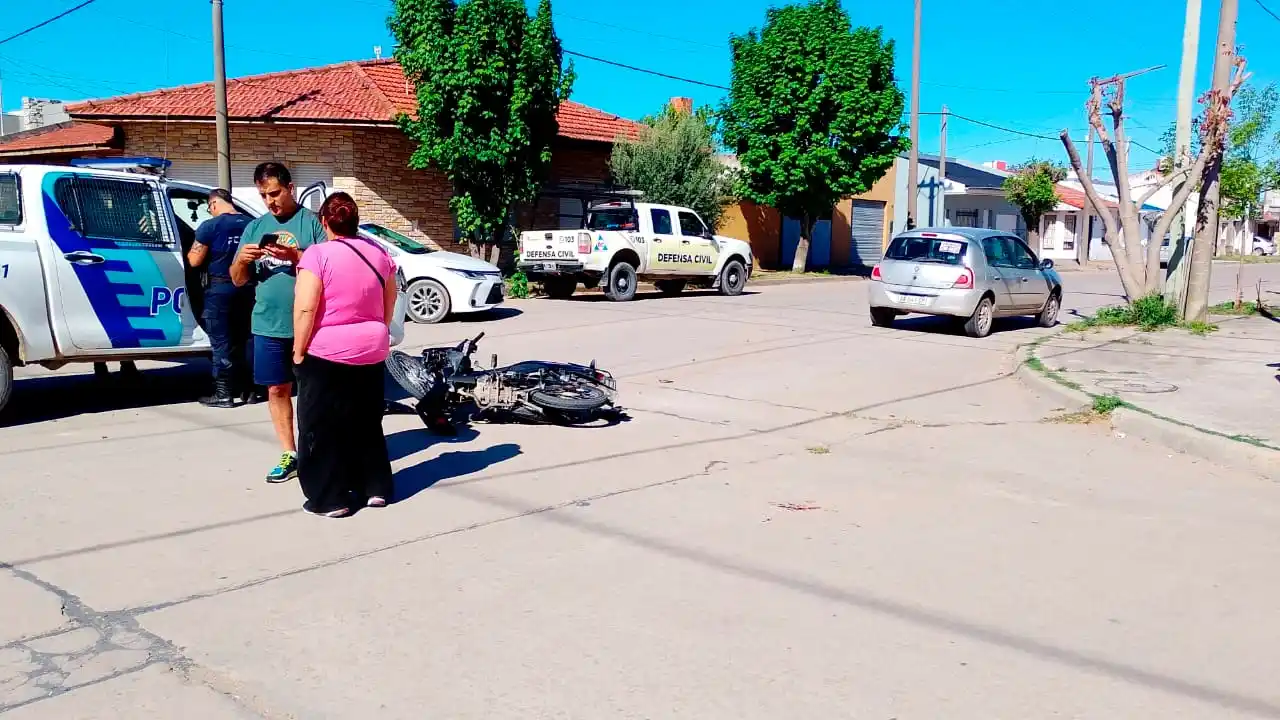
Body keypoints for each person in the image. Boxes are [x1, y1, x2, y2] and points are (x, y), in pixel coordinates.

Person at [292, 192, 397, 517]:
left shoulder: (317, 255)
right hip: (371, 349)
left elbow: (307, 307)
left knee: (320, 425)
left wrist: (298, 350)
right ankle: (375, 487)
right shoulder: (380, 256)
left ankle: (331, 498)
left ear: (324, 222)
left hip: (328, 353)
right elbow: (388, 304)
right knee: (366, 421)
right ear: (356, 222)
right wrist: (374, 331)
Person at [231, 162, 326, 483]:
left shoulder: (311, 223)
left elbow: (330, 267)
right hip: (268, 325)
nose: (270, 201)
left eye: (274, 193)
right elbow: (237, 280)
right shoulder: (254, 227)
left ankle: (319, 449)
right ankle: (290, 452)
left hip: (311, 325)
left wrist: (294, 256)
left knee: (316, 391)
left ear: (290, 188)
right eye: (263, 195)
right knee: (276, 388)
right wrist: (242, 261)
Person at [189, 189, 256, 408]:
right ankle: (250, 390)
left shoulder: (210, 226)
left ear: (214, 204)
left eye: (209, 208)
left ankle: (224, 393)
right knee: (245, 339)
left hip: (220, 289)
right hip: (248, 289)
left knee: (221, 342)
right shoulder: (251, 223)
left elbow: (194, 261)